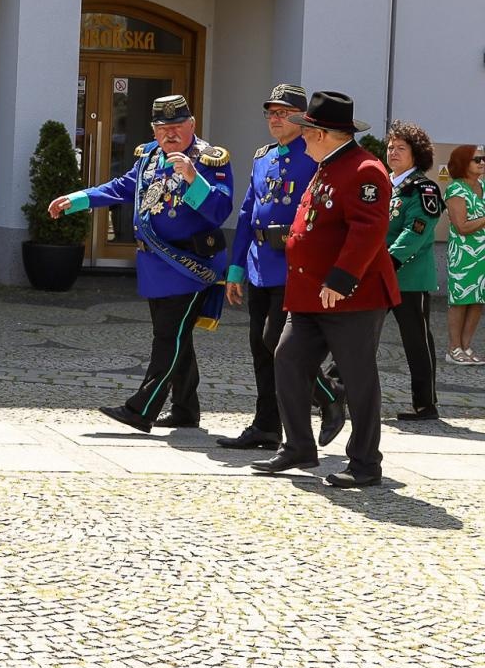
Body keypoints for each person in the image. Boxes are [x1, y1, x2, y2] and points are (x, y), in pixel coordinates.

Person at [49, 95, 232, 434]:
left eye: (177, 127)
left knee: (167, 337)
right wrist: (77, 199)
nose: (170, 134)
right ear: (154, 130)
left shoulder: (208, 160)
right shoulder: (149, 156)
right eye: (163, 128)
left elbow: (220, 211)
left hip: (191, 265)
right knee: (178, 337)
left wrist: (194, 179)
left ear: (192, 125)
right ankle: (186, 410)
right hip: (156, 264)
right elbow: (122, 188)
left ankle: (141, 410)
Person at [252, 92, 398, 488]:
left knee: (358, 377)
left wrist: (341, 278)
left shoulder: (365, 168)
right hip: (309, 294)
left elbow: (368, 230)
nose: (300, 137)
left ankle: (366, 463)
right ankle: (299, 446)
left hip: (351, 295)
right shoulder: (327, 164)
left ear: (324, 134)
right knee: (287, 357)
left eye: (306, 131)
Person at [216, 84, 345, 451]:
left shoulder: (315, 157)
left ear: (302, 118)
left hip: (294, 266)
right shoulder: (263, 157)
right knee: (260, 345)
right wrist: (236, 269)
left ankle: (328, 393)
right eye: (271, 112)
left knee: (279, 342)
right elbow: (246, 214)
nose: (275, 119)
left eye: (283, 112)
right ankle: (267, 426)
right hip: (259, 263)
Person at [382, 121, 445, 416]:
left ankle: (425, 403)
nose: (393, 152)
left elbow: (417, 231)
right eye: (390, 147)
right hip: (377, 275)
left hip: (407, 278)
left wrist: (388, 261)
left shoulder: (423, 188)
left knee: (416, 341)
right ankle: (333, 388)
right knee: (358, 333)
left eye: (400, 148)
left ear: (416, 154)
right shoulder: (383, 184)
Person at [443, 143, 485, 364]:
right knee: (461, 299)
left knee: (478, 299)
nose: (482, 163)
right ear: (463, 163)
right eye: (476, 159)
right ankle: (453, 348)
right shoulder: (456, 189)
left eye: (483, 159)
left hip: (483, 255)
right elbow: (462, 226)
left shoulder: (484, 187)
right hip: (464, 254)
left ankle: (466, 346)